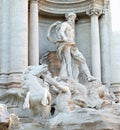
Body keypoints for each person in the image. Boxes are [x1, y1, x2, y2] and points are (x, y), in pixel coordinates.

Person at [47, 12, 95, 82]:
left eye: (73, 18)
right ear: (68, 18)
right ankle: (70, 78)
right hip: (66, 44)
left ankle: (88, 76)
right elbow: (61, 31)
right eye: (71, 18)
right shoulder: (65, 24)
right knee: (68, 62)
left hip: (72, 44)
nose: (72, 20)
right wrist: (64, 37)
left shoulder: (71, 27)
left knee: (82, 59)